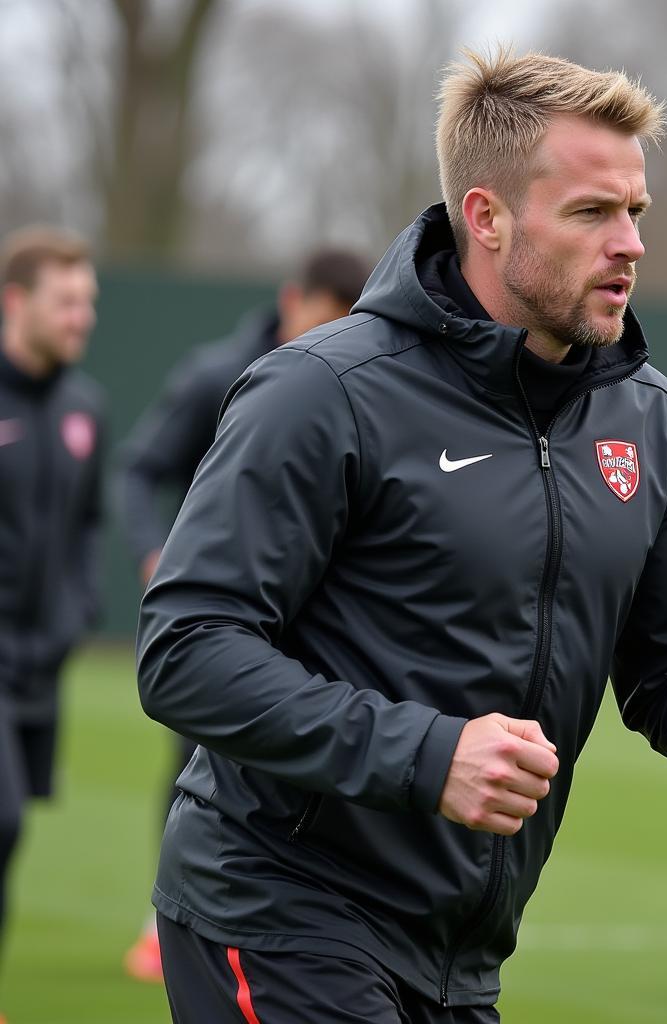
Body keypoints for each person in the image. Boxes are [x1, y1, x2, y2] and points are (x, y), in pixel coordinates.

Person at [136, 50, 667, 1024]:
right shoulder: (322, 392)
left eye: (636, 213)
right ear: (486, 217)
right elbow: (186, 651)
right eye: (591, 213)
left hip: (461, 957)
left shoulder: (647, 419)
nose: (630, 245)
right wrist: (428, 752)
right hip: (277, 913)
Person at [116, 246, 371, 983]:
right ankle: (164, 919)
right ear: (294, 302)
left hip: (314, 619)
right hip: (227, 609)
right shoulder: (216, 375)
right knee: (201, 760)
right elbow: (137, 467)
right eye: (327, 321)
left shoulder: (364, 382)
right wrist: (152, 553)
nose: (337, 337)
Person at [0, 227, 104, 1018]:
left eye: (89, 303)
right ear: (16, 302)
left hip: (42, 664)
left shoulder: (83, 408)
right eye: (66, 302)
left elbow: (86, 527)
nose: (81, 318)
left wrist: (76, 611)